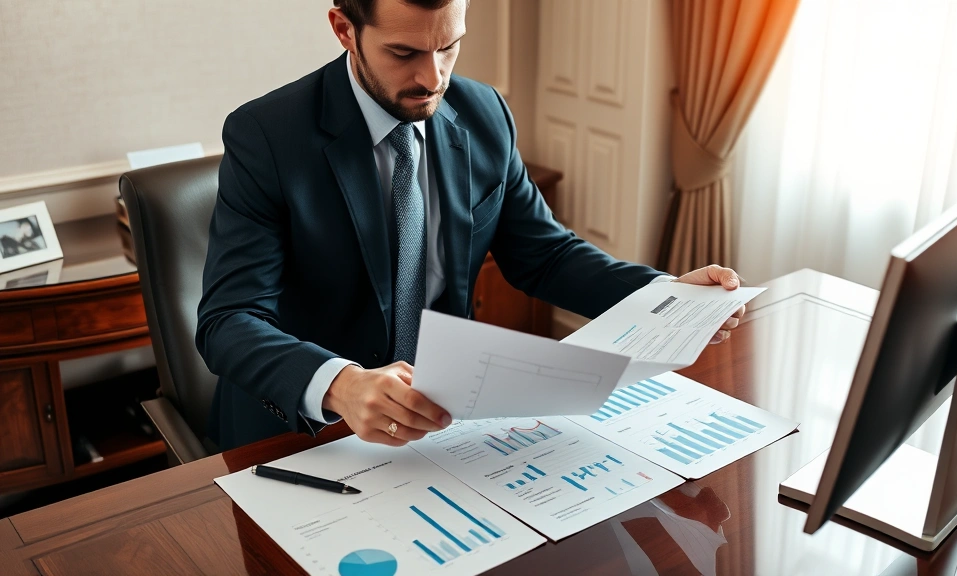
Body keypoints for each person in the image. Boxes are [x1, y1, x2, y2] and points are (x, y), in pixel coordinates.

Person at [196, 0, 746, 451]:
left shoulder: (485, 112)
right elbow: (228, 319)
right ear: (344, 29)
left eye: (449, 47)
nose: (431, 78)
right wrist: (340, 384)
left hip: (445, 420)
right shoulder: (266, 135)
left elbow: (545, 255)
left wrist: (663, 296)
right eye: (404, 52)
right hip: (306, 431)